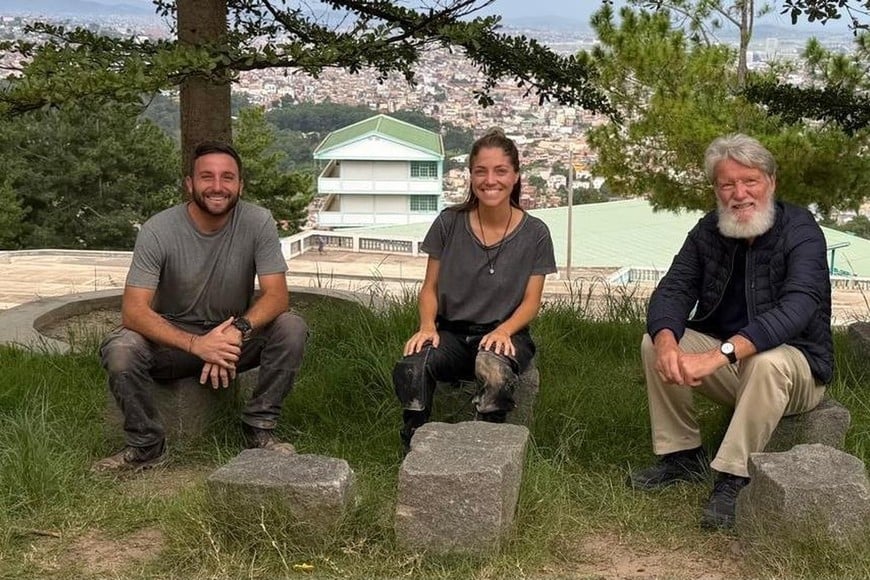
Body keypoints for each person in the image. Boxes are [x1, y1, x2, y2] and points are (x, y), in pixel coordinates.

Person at [629, 134, 833, 529]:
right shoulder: (709, 230)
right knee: (655, 342)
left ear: (771, 182)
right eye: (727, 184)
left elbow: (798, 307)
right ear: (716, 190)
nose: (739, 194)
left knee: (766, 361)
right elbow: (673, 289)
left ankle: (734, 478)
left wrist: (718, 355)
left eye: (750, 181)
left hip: (796, 371)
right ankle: (681, 457)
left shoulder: (801, 230)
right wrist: (668, 342)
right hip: (734, 367)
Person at [92, 141, 309, 472]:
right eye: (207, 177)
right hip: (172, 344)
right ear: (189, 184)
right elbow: (133, 311)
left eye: (227, 177)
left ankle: (259, 428)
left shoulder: (258, 221)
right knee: (121, 349)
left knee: (291, 326)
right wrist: (198, 345)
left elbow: (277, 296)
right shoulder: (158, 230)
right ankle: (146, 445)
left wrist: (235, 333)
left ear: (240, 185)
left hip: (232, 338)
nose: (217, 186)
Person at [392, 128, 557, 452]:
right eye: (481, 171)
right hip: (451, 333)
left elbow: (531, 302)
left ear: (515, 176)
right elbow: (430, 287)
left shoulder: (536, 233)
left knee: (493, 370)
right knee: (412, 367)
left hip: (506, 334)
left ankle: (486, 448)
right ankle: (414, 444)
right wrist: (426, 326)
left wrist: (505, 330)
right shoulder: (449, 223)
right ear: (470, 175)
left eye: (500, 171)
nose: (490, 180)